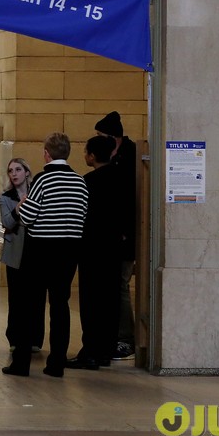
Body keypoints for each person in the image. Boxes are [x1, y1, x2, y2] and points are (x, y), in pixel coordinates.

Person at [3, 132, 89, 378]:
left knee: (30, 306)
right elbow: (82, 215)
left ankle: (21, 364)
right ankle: (56, 364)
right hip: (69, 250)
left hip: (40, 249)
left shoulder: (43, 179)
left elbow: (28, 216)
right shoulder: (79, 182)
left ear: (46, 154)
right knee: (60, 306)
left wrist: (20, 208)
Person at [67, 136, 126, 370]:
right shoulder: (122, 178)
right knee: (111, 299)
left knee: (91, 302)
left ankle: (90, 351)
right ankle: (106, 351)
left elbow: (82, 215)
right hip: (113, 248)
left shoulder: (88, 181)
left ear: (92, 156)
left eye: (85, 152)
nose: (84, 156)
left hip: (91, 248)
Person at [94, 110, 139, 360]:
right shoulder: (115, 157)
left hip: (124, 237)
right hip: (115, 235)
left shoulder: (129, 158)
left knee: (121, 286)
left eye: (101, 135)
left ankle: (125, 339)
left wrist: (123, 232)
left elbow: (129, 200)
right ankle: (115, 336)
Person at [0, 158, 44, 352]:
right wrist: (18, 209)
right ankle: (15, 338)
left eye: (18, 169)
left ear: (26, 172)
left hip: (36, 249)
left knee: (37, 296)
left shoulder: (38, 192)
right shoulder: (5, 197)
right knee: (16, 297)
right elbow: (7, 223)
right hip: (15, 251)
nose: (14, 174)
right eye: (10, 171)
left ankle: (35, 339)